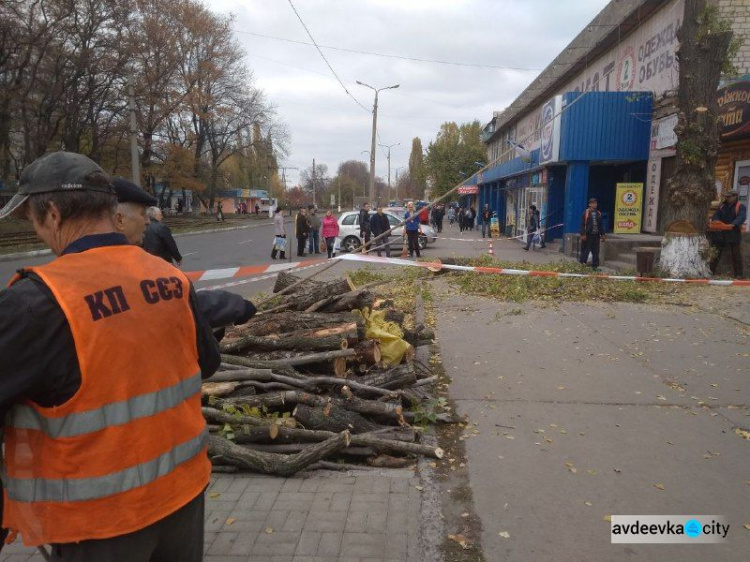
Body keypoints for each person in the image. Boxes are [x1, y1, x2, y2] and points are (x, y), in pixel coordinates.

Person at [0, 151, 220, 560]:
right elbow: (206, 363)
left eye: (31, 218)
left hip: (101, 526)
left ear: (51, 213)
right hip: (183, 498)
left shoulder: (38, 302)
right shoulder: (171, 279)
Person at [709, 189, 746, 278]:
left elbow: (741, 217)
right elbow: (716, 215)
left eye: (729, 196)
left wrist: (733, 224)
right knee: (715, 253)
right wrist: (716, 221)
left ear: (735, 196)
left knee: (736, 255)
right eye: (726, 196)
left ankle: (738, 275)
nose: (727, 198)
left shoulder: (740, 206)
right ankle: (710, 272)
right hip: (720, 233)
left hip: (733, 233)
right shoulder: (722, 205)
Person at [579, 197, 605, 268]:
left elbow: (600, 225)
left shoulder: (598, 213)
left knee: (596, 252)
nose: (595, 205)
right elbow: (582, 224)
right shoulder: (586, 213)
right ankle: (582, 265)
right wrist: (583, 234)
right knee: (585, 251)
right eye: (593, 203)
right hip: (588, 235)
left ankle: (595, 267)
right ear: (590, 204)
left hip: (596, 235)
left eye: (595, 203)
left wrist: (603, 234)